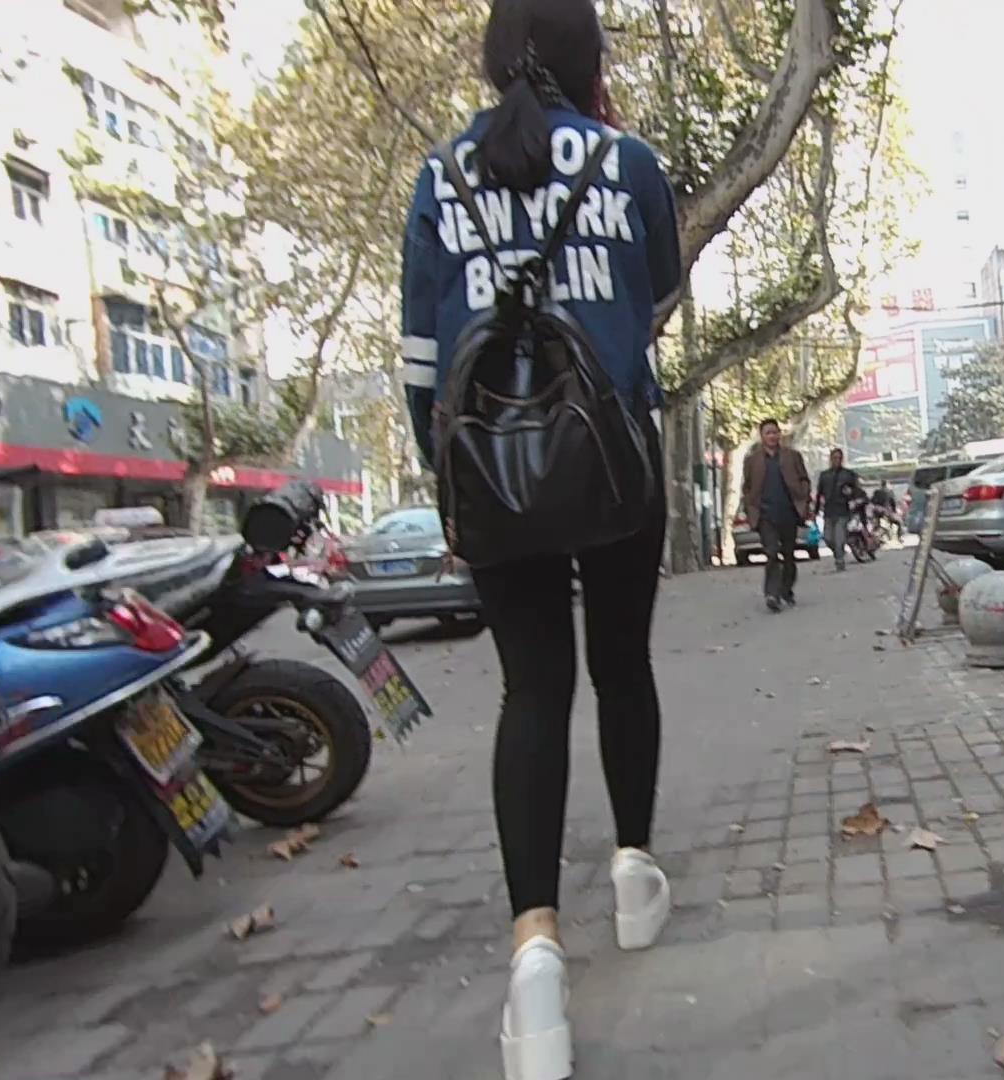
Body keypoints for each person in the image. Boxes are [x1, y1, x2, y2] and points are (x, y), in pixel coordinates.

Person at [398, 2, 681, 1076]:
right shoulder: (628, 163)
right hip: (611, 463)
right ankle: (635, 876)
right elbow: (653, 301)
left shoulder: (440, 179)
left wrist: (455, 489)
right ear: (588, 59)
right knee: (622, 664)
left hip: (492, 468)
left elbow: (422, 366)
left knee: (533, 690)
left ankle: (535, 958)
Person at [740, 418, 811, 609]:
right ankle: (772, 594)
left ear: (779, 434)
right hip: (765, 515)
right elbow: (747, 487)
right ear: (762, 436)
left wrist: (803, 496)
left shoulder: (792, 456)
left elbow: (804, 479)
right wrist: (749, 506)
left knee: (788, 555)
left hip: (788, 512)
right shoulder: (752, 460)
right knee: (771, 553)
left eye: (774, 432)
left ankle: (786, 589)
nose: (772, 436)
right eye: (768, 433)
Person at [815, 448, 863, 569]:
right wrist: (815, 511)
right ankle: (839, 553)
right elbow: (819, 493)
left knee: (839, 537)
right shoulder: (824, 475)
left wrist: (851, 493)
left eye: (839, 458)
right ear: (830, 459)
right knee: (827, 538)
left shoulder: (848, 474)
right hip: (828, 511)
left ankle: (840, 560)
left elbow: (857, 491)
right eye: (834, 458)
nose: (837, 460)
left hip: (842, 510)